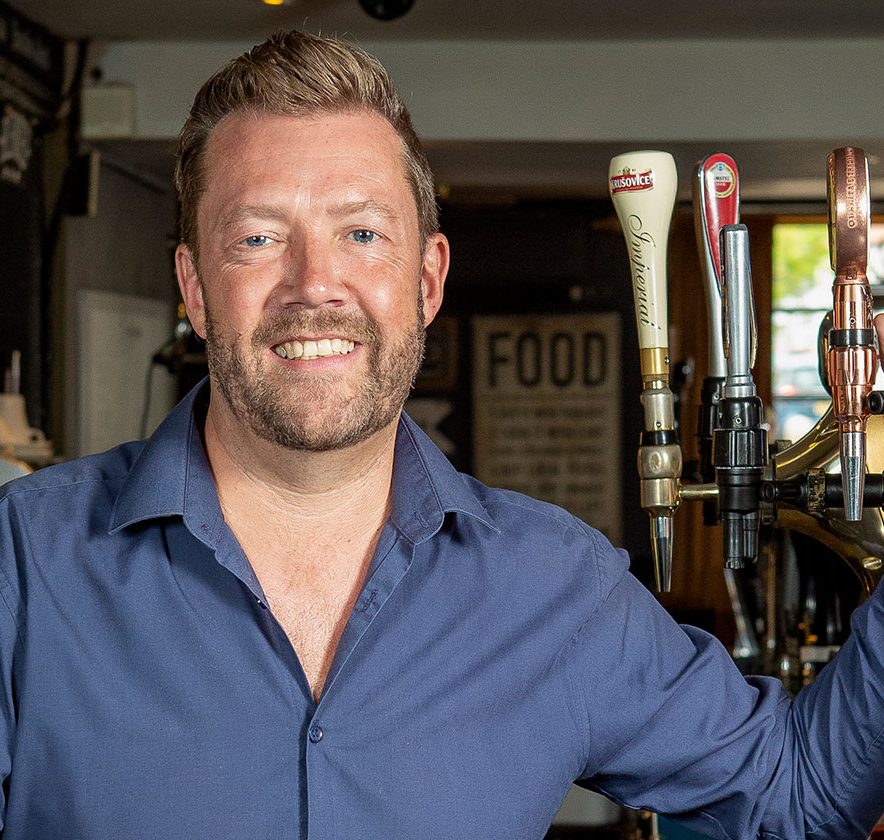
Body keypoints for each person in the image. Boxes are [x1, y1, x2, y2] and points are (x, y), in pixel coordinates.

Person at [0, 29, 881, 840]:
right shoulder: (24, 571)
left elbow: (795, 792)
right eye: (259, 238)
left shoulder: (554, 588)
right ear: (193, 288)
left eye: (361, 232)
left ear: (427, 280)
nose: (316, 285)